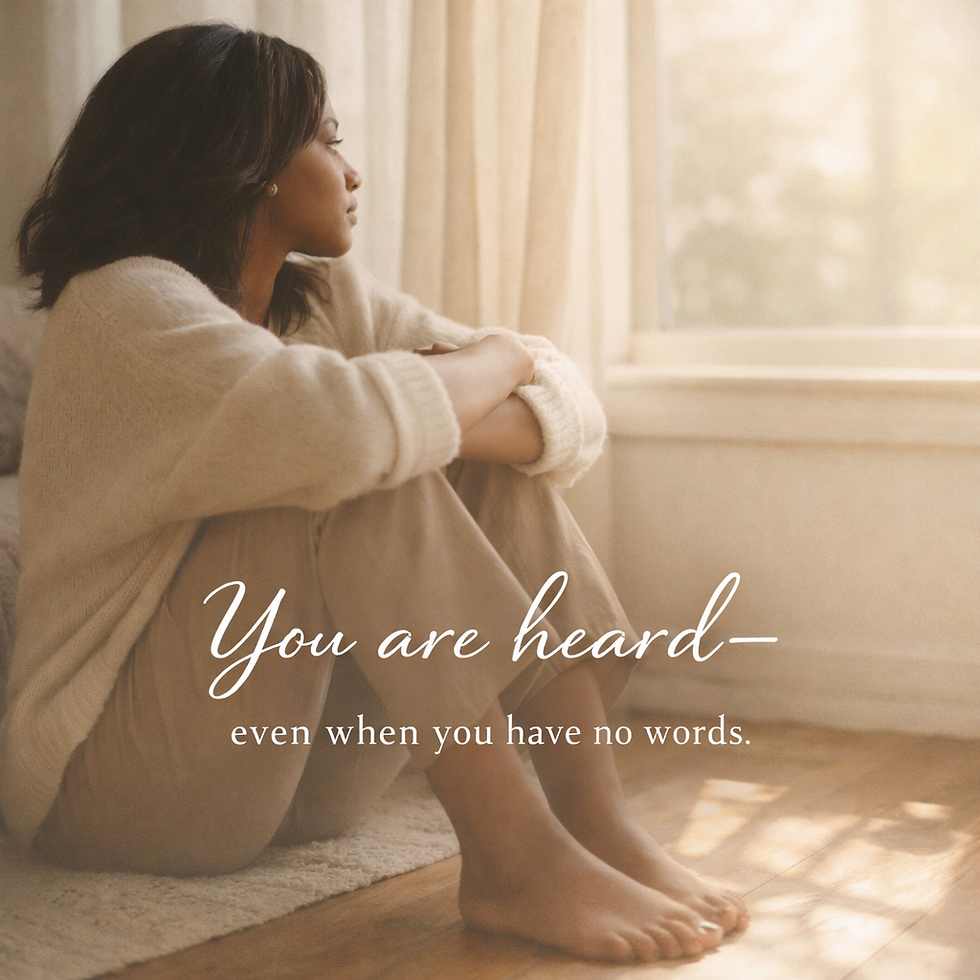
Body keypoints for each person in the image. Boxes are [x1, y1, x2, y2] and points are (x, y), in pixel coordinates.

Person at [2, 24, 749, 963]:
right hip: (116, 788)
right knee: (354, 458)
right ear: (249, 159)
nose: (349, 170)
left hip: (297, 761)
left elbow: (570, 410)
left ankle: (597, 823)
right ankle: (515, 862)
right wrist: (499, 355)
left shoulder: (324, 303)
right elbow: (348, 426)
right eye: (326, 139)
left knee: (446, 445)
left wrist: (479, 389)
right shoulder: (120, 305)